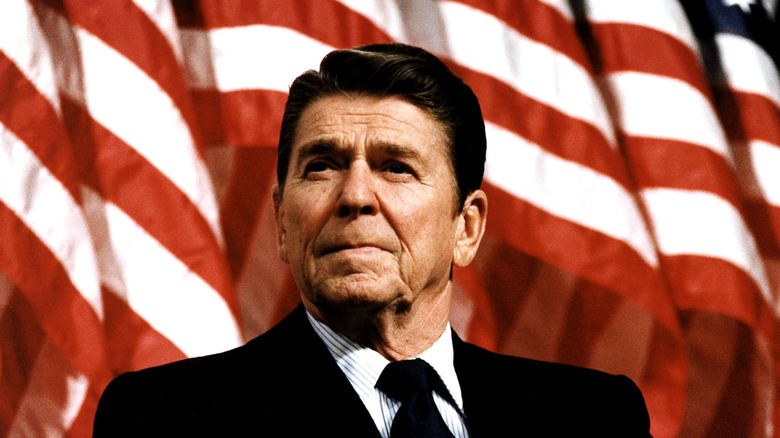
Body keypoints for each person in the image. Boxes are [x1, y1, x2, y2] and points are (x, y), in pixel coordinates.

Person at [93, 43, 652, 437]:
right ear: (283, 221)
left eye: (396, 167)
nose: (355, 195)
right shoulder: (165, 419)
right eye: (322, 166)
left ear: (466, 227)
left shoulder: (596, 418)